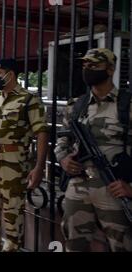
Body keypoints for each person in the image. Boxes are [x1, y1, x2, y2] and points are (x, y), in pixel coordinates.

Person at [54, 48, 132, 252]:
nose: (88, 69)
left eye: (94, 65)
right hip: (78, 185)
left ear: (110, 69)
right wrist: (64, 159)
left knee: (122, 244)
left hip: (113, 187)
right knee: (74, 243)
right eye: (85, 65)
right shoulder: (77, 105)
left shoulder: (126, 105)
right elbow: (62, 140)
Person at [0, 58, 49, 252]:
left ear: (11, 74)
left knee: (12, 212)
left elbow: (41, 132)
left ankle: (11, 247)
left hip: (14, 162)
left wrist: (39, 167)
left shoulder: (28, 99)